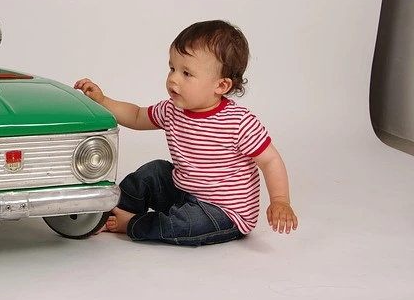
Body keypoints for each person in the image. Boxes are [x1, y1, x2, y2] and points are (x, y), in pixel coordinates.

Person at [74, 20, 298, 246]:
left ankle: (132, 223)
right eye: (172, 68)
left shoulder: (239, 122)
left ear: (221, 86)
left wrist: (280, 200)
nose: (173, 78)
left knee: (186, 224)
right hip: (183, 191)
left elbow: (270, 160)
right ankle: (111, 212)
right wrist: (103, 100)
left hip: (223, 211)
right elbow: (136, 116)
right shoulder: (172, 109)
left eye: (187, 73)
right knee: (154, 172)